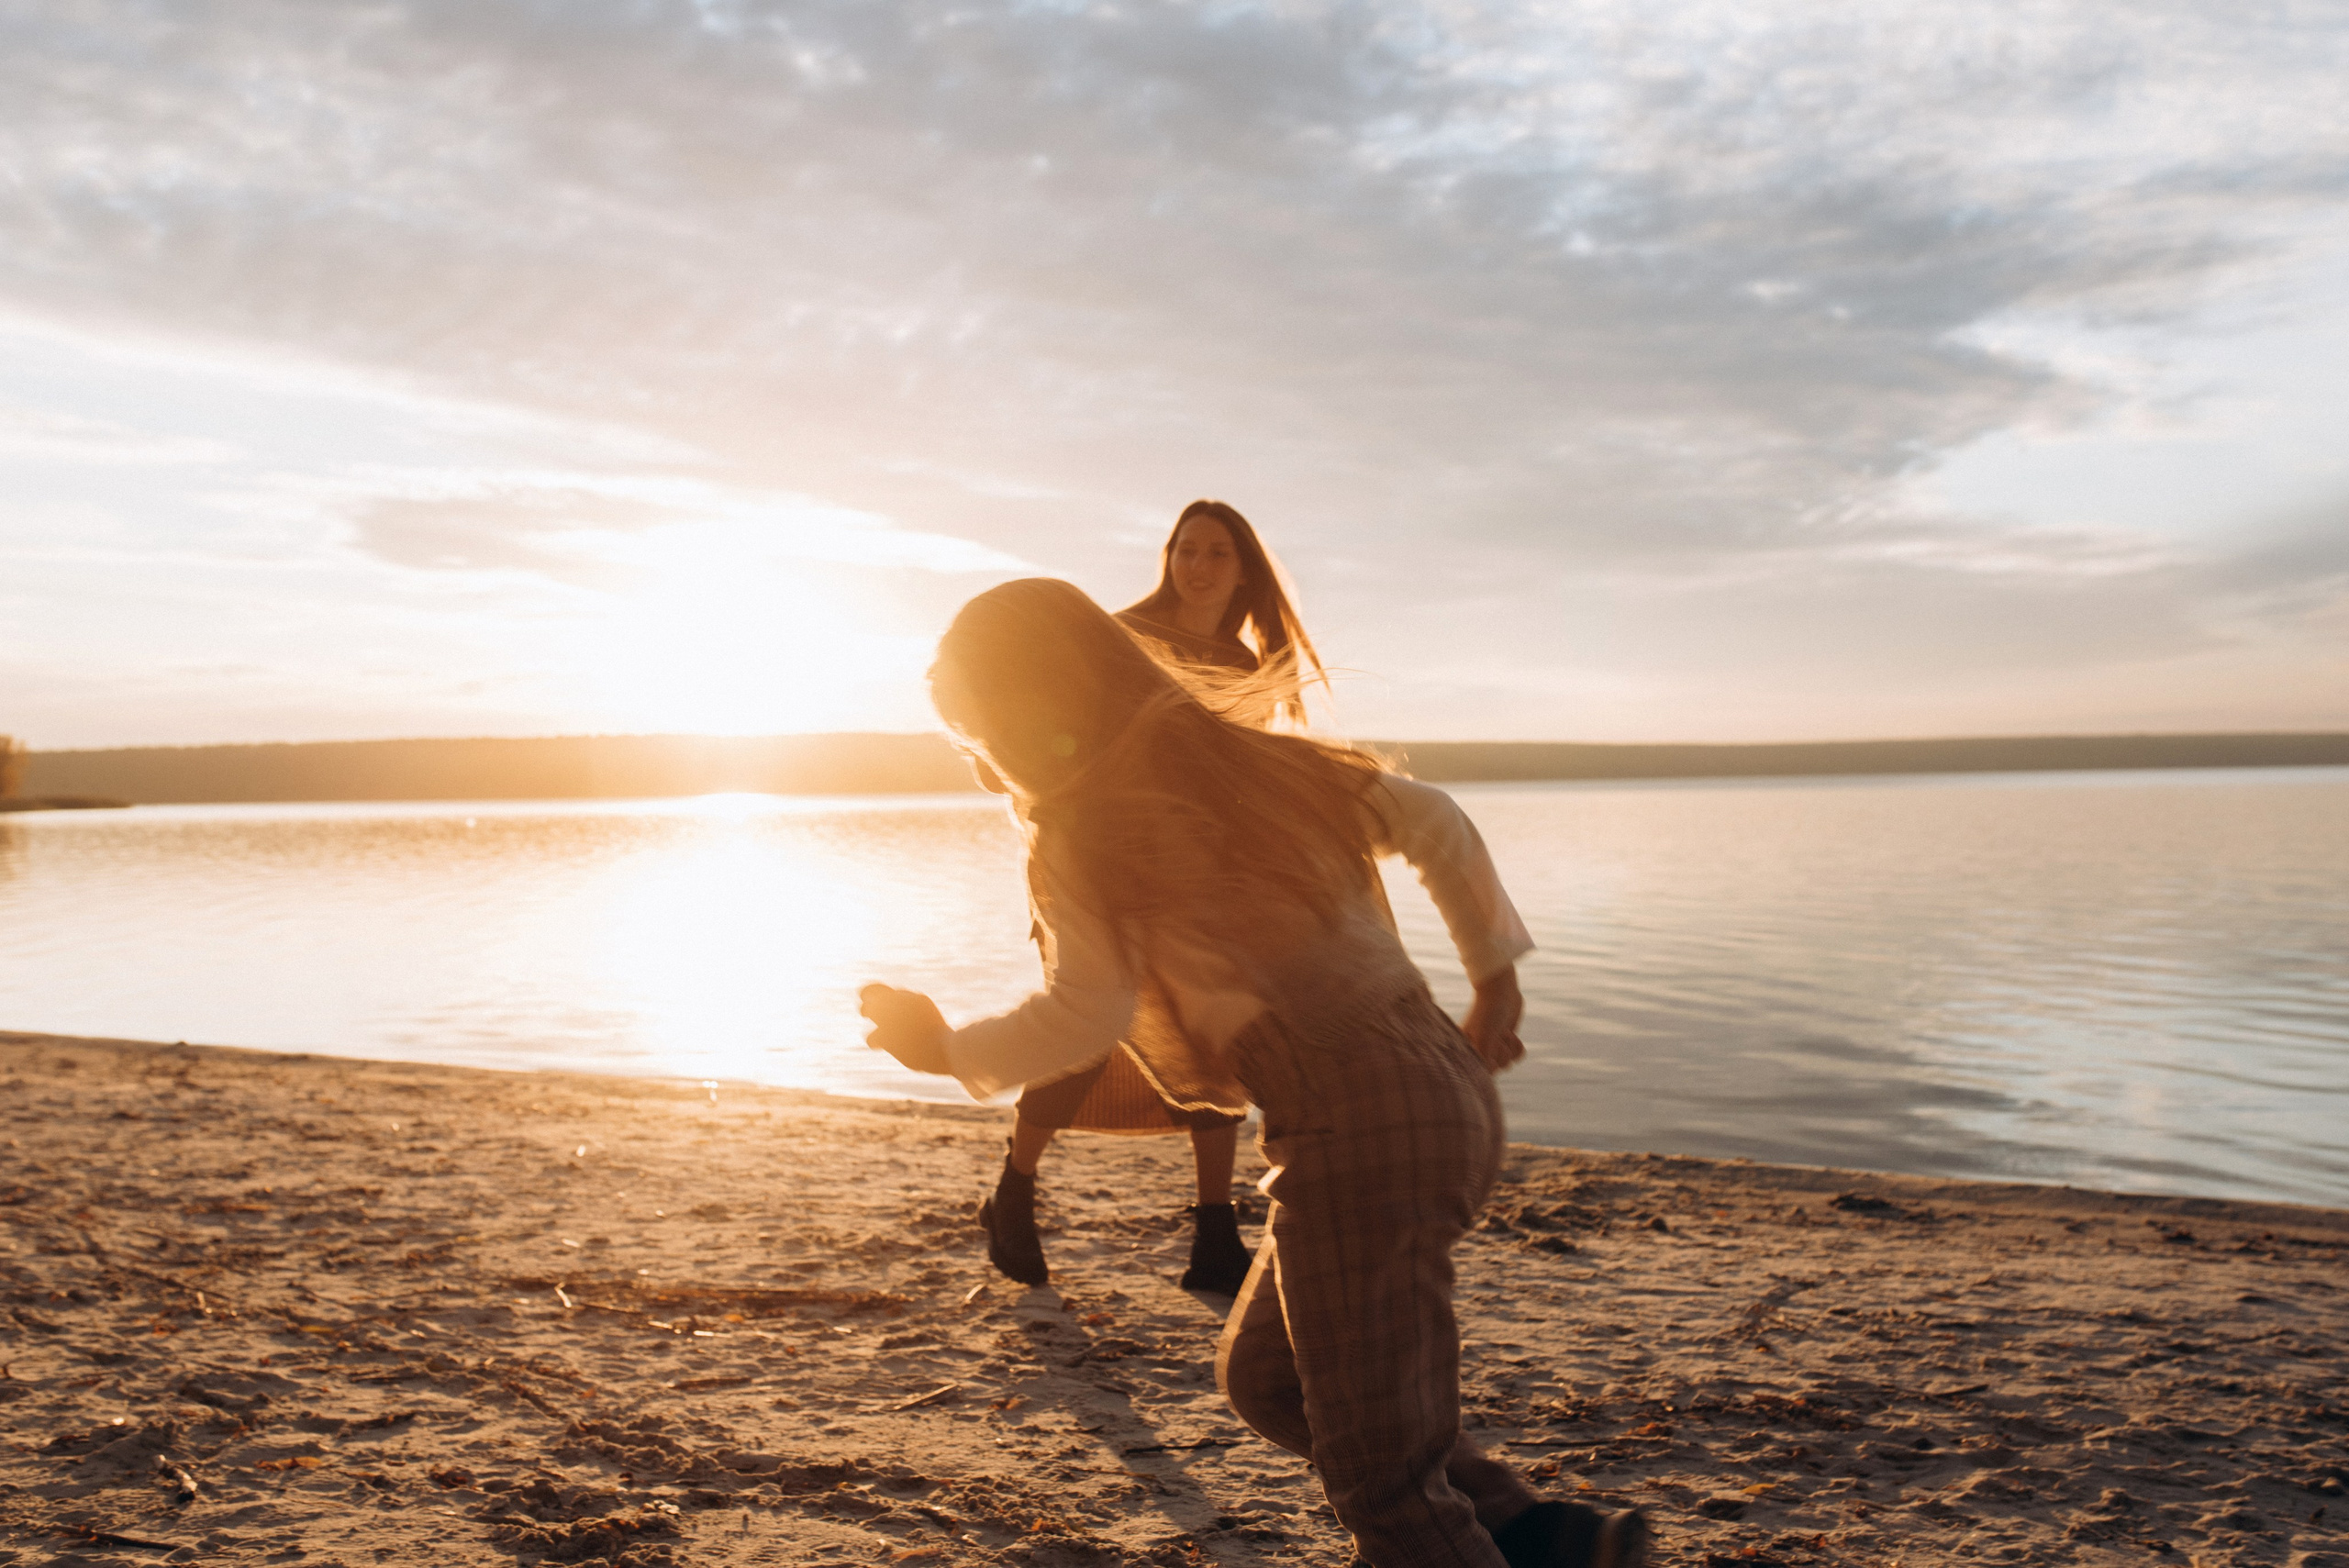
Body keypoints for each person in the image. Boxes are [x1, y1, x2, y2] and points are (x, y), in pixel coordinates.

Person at [861, 579, 1650, 1568]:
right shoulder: (1253, 767)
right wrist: (1493, 979)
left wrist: (946, 1050)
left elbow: (1085, 1012)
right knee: (1271, 1377)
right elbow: (1434, 819)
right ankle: (1546, 1538)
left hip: (1354, 1125)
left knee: (1382, 1485)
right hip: (1438, 1093)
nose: (981, 767)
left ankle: (1487, 1543)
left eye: (976, 731)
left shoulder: (1084, 831)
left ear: (1034, 704)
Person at [983, 499, 1330, 1296]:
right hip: (1095, 861)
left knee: (1218, 1038)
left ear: (1243, 569)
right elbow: (1038, 727)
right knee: (1090, 1030)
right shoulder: (1117, 636)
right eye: (1187, 550)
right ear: (1168, 556)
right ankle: (1013, 1191)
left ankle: (1213, 1234)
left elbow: (1238, 778)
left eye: (1217, 553)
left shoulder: (1245, 668)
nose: (1199, 566)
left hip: (1198, 874)